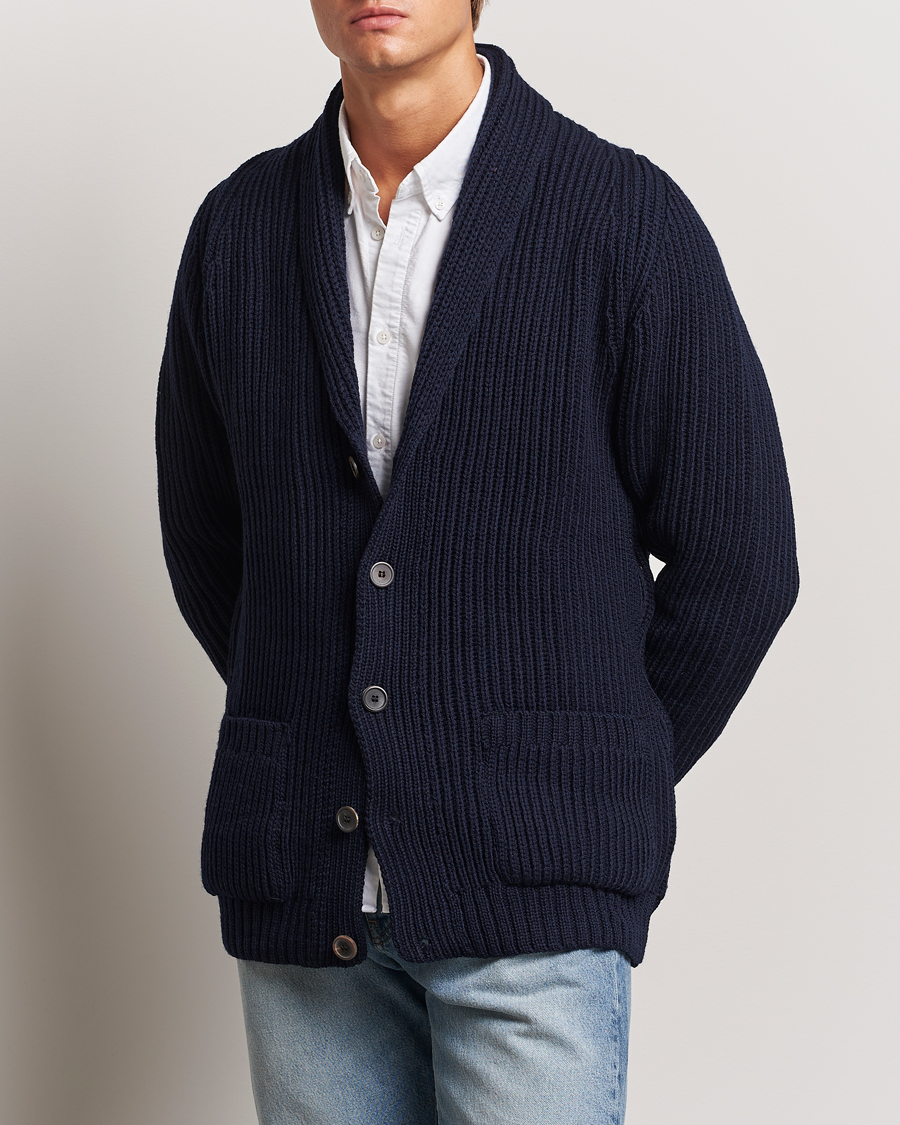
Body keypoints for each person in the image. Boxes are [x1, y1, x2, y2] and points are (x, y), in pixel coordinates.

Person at [155, 1, 799, 1121]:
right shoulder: (239, 229)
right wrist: (347, 728)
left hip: (532, 901)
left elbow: (741, 556)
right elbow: (213, 546)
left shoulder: (619, 216)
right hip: (306, 895)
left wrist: (582, 775)